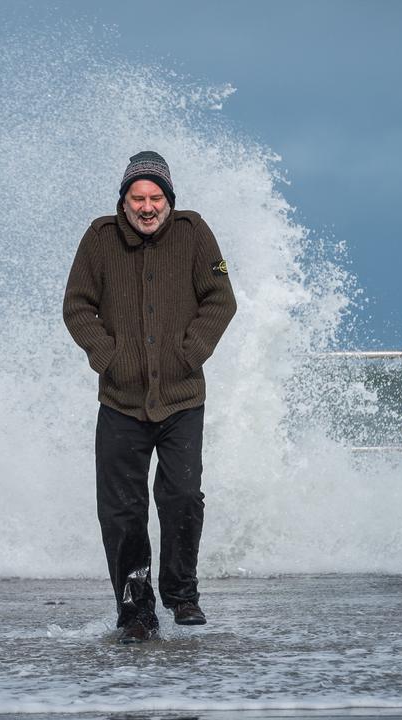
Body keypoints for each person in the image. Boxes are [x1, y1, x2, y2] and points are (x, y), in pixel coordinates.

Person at [62, 151, 237, 644]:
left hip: (182, 397)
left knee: (181, 496)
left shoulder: (194, 232)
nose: (146, 206)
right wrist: (107, 356)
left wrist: (191, 352)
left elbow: (221, 299)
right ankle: (135, 610)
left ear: (169, 199)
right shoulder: (99, 239)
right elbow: (77, 305)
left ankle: (182, 596)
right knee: (121, 510)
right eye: (137, 198)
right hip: (120, 400)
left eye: (155, 197)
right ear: (123, 201)